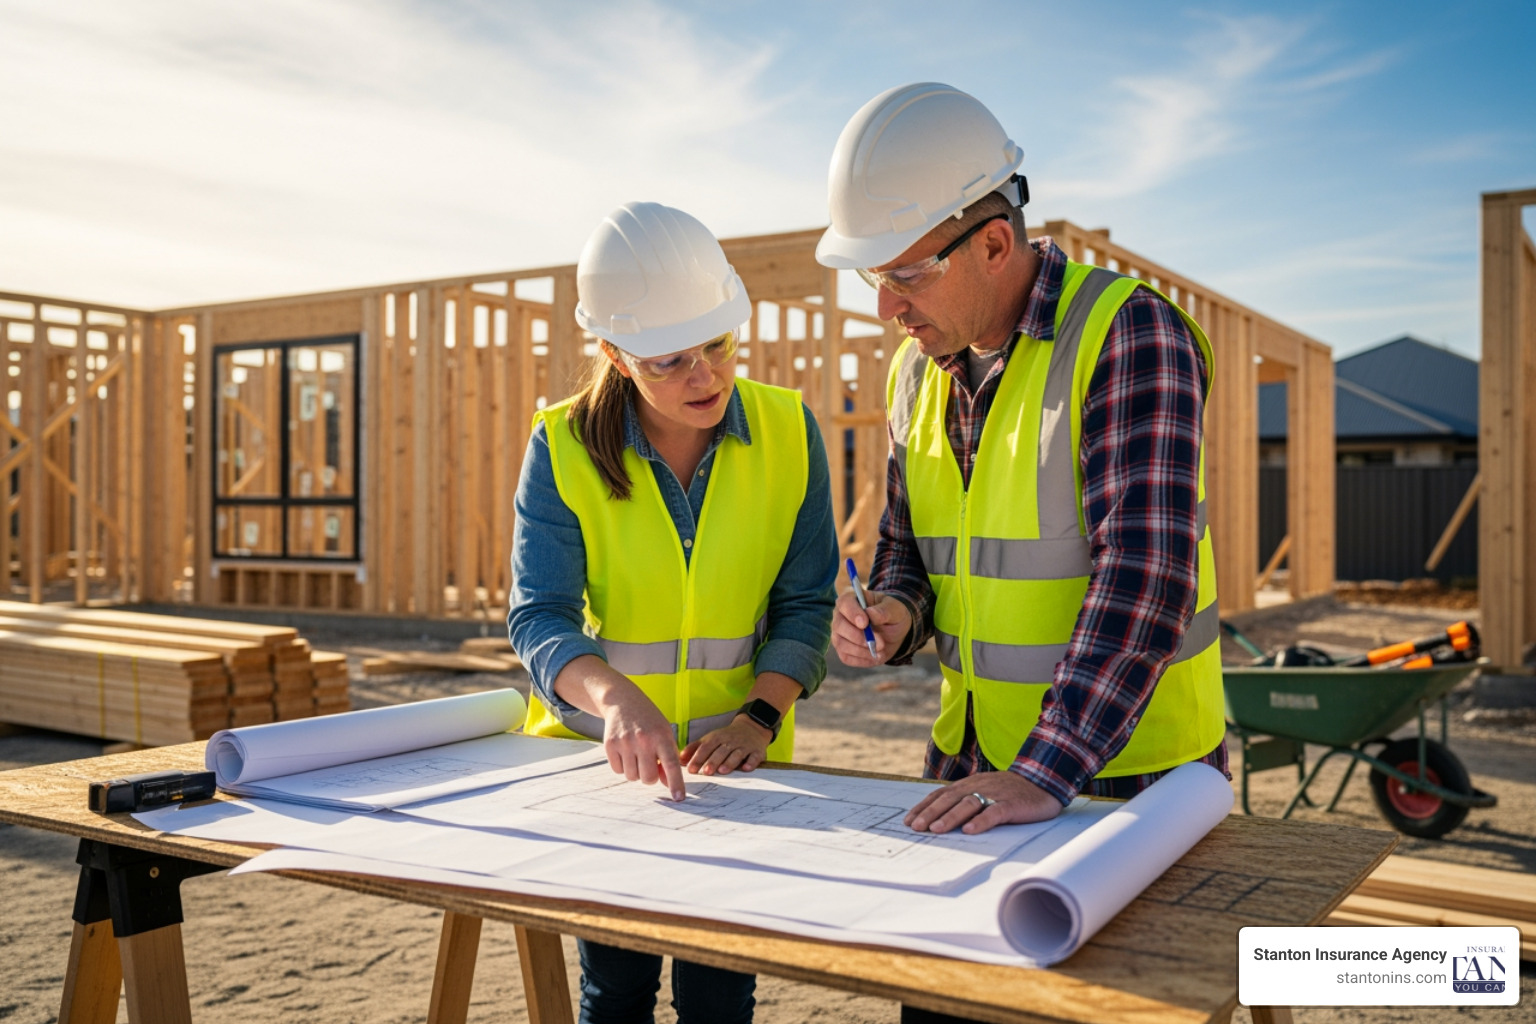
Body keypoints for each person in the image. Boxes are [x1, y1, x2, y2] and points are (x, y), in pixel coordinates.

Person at [818, 82, 1226, 886]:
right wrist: (898, 609)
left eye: (906, 274)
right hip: (973, 762)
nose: (885, 307)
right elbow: (907, 546)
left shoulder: (1126, 333)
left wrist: (1046, 768)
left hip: (1127, 777)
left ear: (996, 244)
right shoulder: (915, 371)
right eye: (873, 276)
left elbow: (1144, 577)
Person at [507, 201, 838, 1024]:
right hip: (604, 774)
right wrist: (617, 700)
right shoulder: (562, 445)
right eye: (670, 360)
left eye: (720, 345)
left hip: (742, 772)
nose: (708, 377)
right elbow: (538, 615)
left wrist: (759, 717)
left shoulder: (791, 430)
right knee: (614, 989)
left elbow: (806, 603)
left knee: (721, 994)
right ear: (616, 355)